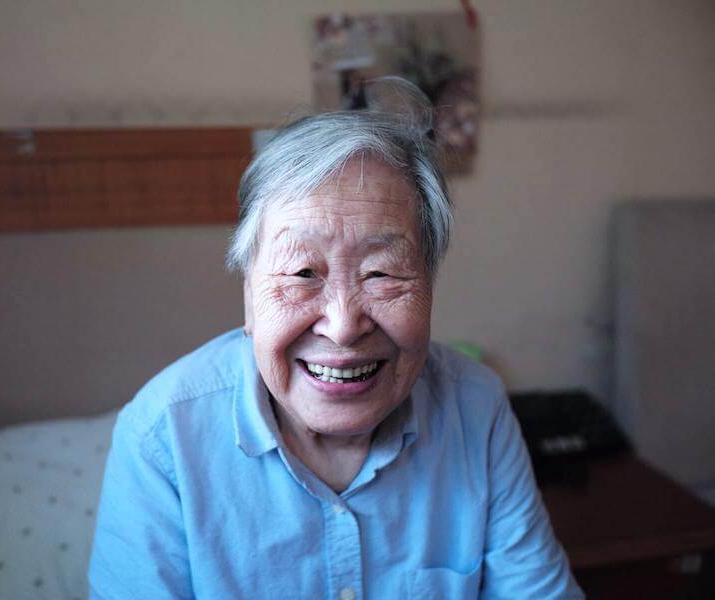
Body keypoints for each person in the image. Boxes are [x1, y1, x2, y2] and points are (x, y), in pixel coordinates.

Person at [88, 79, 583, 599]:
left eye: (382, 274)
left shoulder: (475, 407)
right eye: (302, 273)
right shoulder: (162, 438)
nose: (344, 326)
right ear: (250, 297)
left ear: (431, 286)